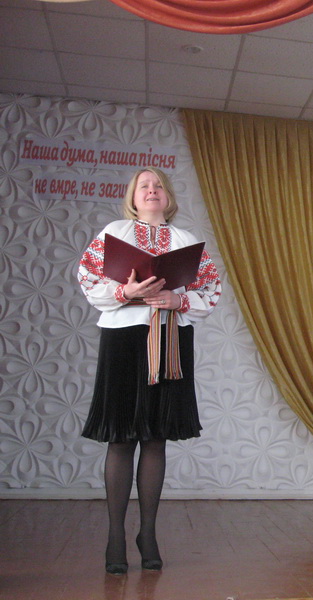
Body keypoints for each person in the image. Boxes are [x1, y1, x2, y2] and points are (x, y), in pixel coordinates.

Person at [77, 167, 222, 574]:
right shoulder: (116, 232)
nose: (152, 190)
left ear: (168, 196)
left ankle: (149, 533)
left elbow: (211, 288)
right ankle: (115, 536)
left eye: (158, 185)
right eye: (144, 186)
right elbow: (87, 277)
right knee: (121, 438)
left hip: (170, 337)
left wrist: (180, 301)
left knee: (156, 437)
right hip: (123, 338)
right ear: (133, 196)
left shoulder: (187, 241)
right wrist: (126, 291)